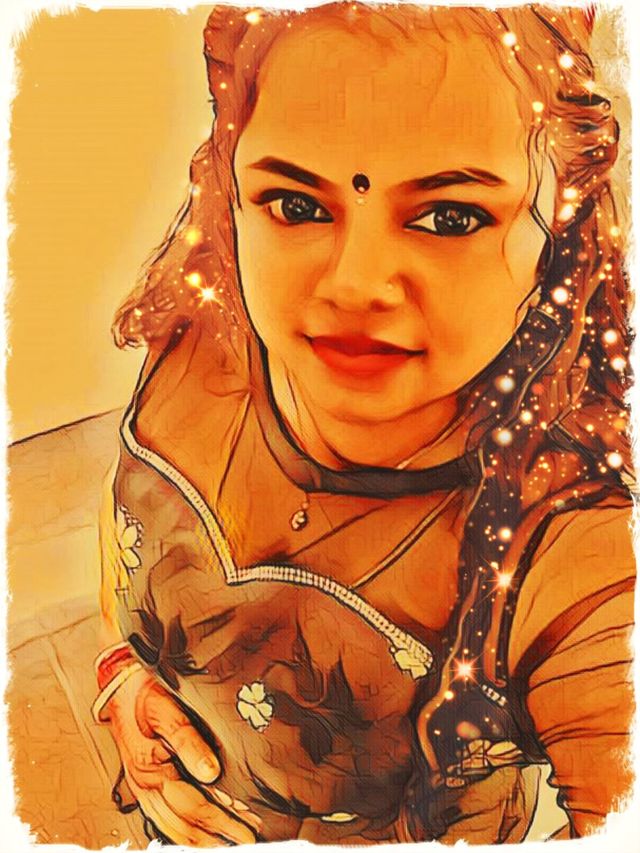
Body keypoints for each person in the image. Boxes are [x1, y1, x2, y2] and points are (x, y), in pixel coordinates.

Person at [92, 2, 635, 845]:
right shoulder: (209, 330)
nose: (354, 283)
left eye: (449, 216)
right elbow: (133, 540)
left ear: (557, 230)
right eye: (294, 203)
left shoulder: (571, 548)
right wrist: (126, 676)